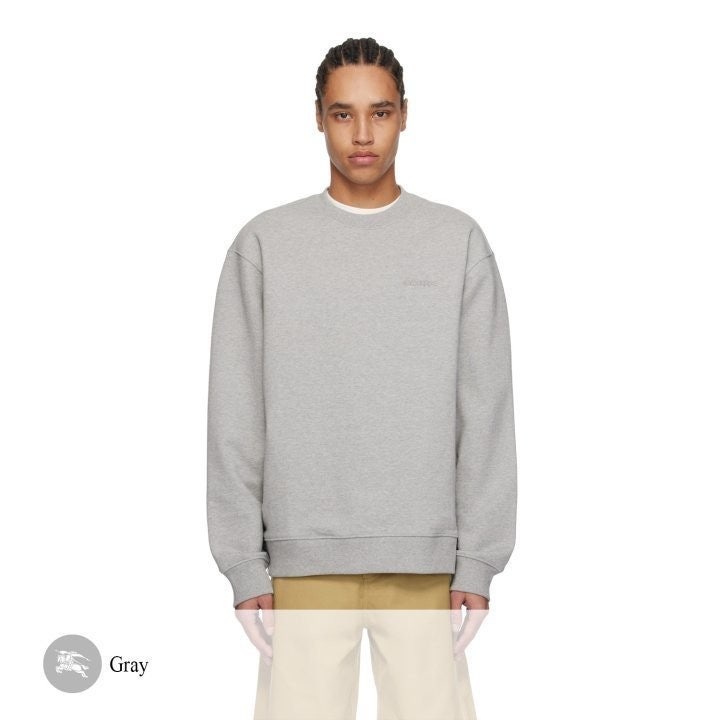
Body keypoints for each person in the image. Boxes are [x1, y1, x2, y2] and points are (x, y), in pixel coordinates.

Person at [207, 37, 517, 720]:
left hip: (426, 563)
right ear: (318, 118)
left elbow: (486, 411)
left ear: (405, 114)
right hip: (301, 561)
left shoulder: (457, 241)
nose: (363, 134)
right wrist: (242, 563)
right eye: (342, 114)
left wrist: (479, 559)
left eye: (379, 112)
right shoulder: (265, 244)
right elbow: (235, 413)